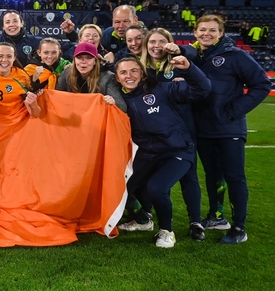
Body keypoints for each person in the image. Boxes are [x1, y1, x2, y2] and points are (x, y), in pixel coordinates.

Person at [182, 15, 270, 243]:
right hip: (202, 128)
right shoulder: (192, 56)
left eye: (212, 30)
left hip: (229, 127)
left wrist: (233, 111)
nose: (206, 34)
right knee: (212, 175)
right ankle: (217, 216)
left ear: (221, 33)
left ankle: (240, 227)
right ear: (195, 32)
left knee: (234, 176)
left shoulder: (235, 55)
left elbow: (261, 84)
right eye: (202, 30)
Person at [114, 56, 211, 248]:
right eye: (123, 72)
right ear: (117, 78)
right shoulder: (119, 99)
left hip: (177, 150)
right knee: (118, 187)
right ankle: (143, 221)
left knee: (157, 188)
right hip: (147, 153)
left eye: (134, 70)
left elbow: (203, 89)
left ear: (142, 73)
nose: (129, 76)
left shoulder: (162, 89)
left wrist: (189, 69)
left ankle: (167, 231)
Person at [55, 43, 127, 113]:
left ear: (95, 61)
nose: (83, 62)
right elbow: (57, 99)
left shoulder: (108, 77)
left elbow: (122, 107)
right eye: (79, 58)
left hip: (97, 120)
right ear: (74, 60)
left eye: (88, 58)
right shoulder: (66, 74)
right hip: (73, 118)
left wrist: (113, 103)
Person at [0, 43, 40, 118]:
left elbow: (36, 114)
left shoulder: (22, 78)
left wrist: (34, 105)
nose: (4, 60)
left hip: (15, 121)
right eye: (0, 56)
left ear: (14, 58)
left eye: (9, 56)